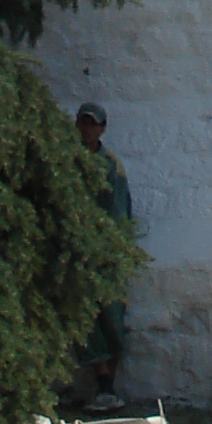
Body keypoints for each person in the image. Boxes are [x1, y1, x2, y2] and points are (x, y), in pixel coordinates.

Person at [75, 102, 134, 395]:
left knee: (111, 318)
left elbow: (118, 213)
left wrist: (109, 249)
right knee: (84, 318)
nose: (87, 129)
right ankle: (103, 385)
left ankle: (108, 387)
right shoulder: (68, 162)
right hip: (76, 253)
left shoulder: (112, 168)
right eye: (83, 123)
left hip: (107, 253)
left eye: (92, 124)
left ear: (102, 129)